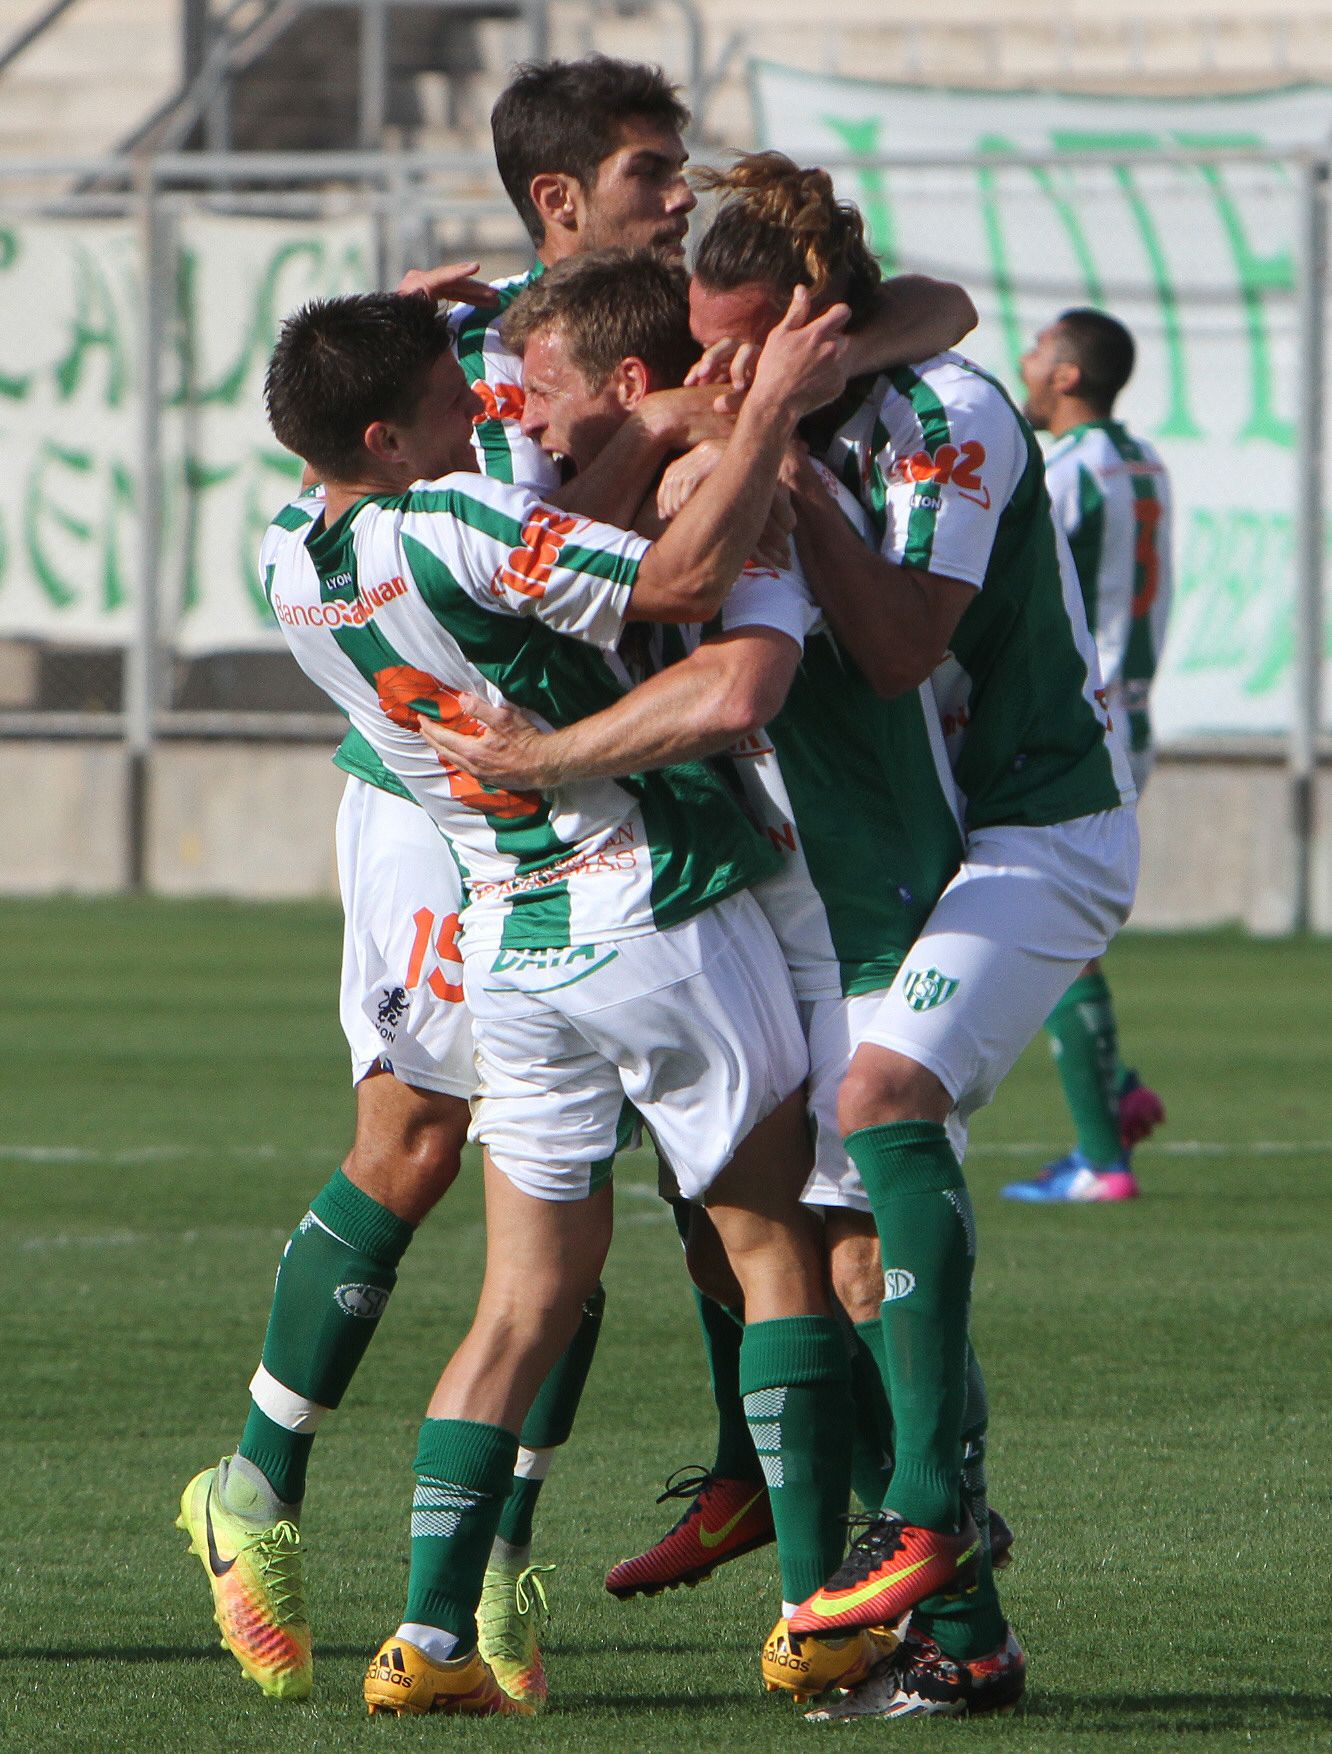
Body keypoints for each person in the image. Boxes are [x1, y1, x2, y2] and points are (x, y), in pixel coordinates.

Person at [258, 281, 879, 1719]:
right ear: (387, 439)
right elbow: (676, 582)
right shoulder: (455, 520)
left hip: (508, 942)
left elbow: (507, 552)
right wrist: (769, 411)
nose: (487, 419)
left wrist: (647, 424)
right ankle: (815, 1621)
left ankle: (427, 1643)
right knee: (771, 1246)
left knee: (519, 1302)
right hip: (648, 903)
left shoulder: (290, 557)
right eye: (449, 404)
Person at [415, 246, 982, 1702]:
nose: (524, 422)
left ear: (625, 377)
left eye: (544, 395)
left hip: (745, 905)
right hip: (673, 905)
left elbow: (740, 680)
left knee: (798, 1252)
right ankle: (818, 1584)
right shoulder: (591, 475)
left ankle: (915, 1588)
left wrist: (747, 407)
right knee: (761, 1248)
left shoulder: (699, 491)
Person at [679, 152, 1140, 1720]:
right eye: (706, 350)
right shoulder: (786, 402)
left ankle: (933, 1506)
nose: (719, 377)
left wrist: (788, 469)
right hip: (883, 864)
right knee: (848, 1244)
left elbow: (893, 651)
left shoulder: (954, 418)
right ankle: (966, 1639)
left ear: (818, 323)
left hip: (1041, 827)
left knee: (883, 1102)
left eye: (746, 347)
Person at [1002, 308, 1172, 1202]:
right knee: (1061, 926)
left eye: (1037, 351)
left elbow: (1017, 586)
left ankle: (1103, 1158)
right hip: (1133, 713)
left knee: (1052, 928)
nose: (1024, 362)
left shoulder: (1062, 471)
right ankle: (1116, 1089)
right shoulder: (1144, 463)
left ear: (1067, 375)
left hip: (1077, 723)